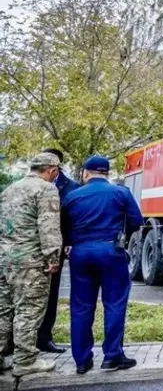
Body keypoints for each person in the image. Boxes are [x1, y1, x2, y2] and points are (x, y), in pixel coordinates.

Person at [61, 156, 144, 375]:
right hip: (110, 251)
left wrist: (72, 242)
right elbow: (136, 221)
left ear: (86, 173)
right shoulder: (121, 193)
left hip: (80, 253)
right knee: (115, 304)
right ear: (106, 174)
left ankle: (82, 360)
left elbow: (63, 225)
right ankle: (112, 356)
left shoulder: (72, 196)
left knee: (81, 307)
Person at [0, 153, 63, 377]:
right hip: (30, 261)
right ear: (51, 170)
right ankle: (25, 360)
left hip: (5, 258)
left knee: (4, 310)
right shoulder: (46, 189)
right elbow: (48, 227)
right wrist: (53, 257)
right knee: (29, 309)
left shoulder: (10, 189)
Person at [36, 148, 80, 354]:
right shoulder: (30, 184)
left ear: (56, 166)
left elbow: (74, 220)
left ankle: (44, 338)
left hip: (55, 249)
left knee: (51, 294)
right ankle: (18, 341)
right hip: (29, 248)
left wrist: (69, 244)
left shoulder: (71, 188)